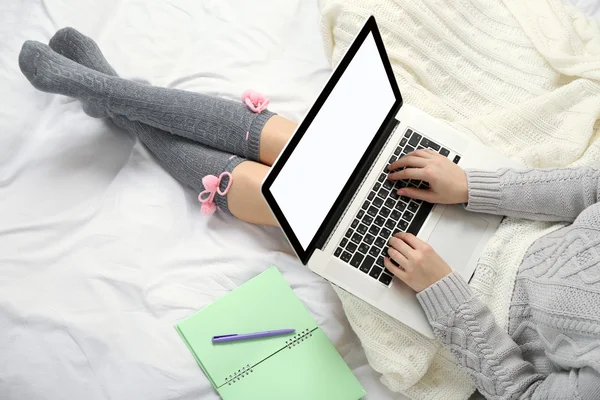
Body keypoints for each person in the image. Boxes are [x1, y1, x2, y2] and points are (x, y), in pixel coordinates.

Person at [18, 28, 600, 399]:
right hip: (499, 214)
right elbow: (586, 189)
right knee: (305, 147)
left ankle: (107, 94)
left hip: (452, 302)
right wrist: (470, 186)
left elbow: (521, 391)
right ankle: (110, 95)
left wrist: (440, 289)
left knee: (284, 197)